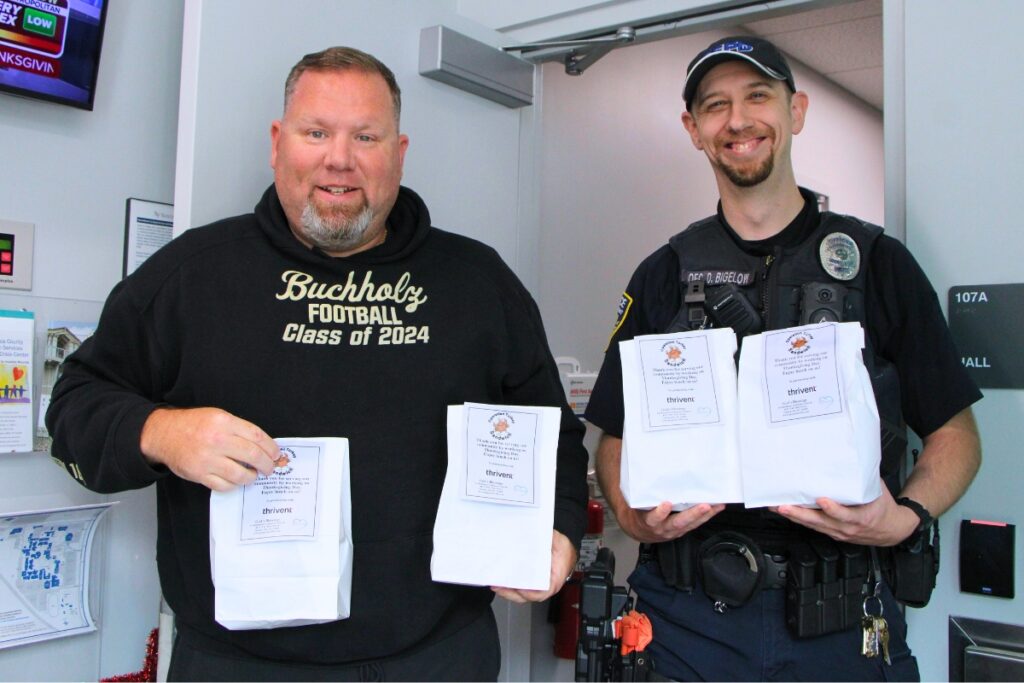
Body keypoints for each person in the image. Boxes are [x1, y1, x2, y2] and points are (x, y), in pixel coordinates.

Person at [46, 46, 588, 682]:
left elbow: (554, 439)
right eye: (316, 133)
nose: (340, 158)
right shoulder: (192, 276)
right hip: (240, 664)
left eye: (366, 136)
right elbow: (73, 409)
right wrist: (162, 432)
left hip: (438, 657)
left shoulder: (478, 283)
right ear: (278, 143)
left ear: (398, 151)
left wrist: (557, 531)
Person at [585, 36, 981, 681]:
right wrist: (632, 516)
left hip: (844, 618)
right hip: (687, 620)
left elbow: (955, 433)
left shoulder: (878, 264)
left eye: (758, 97)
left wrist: (902, 518)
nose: (737, 121)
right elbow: (615, 434)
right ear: (694, 129)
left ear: (795, 111)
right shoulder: (663, 274)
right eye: (715, 105)